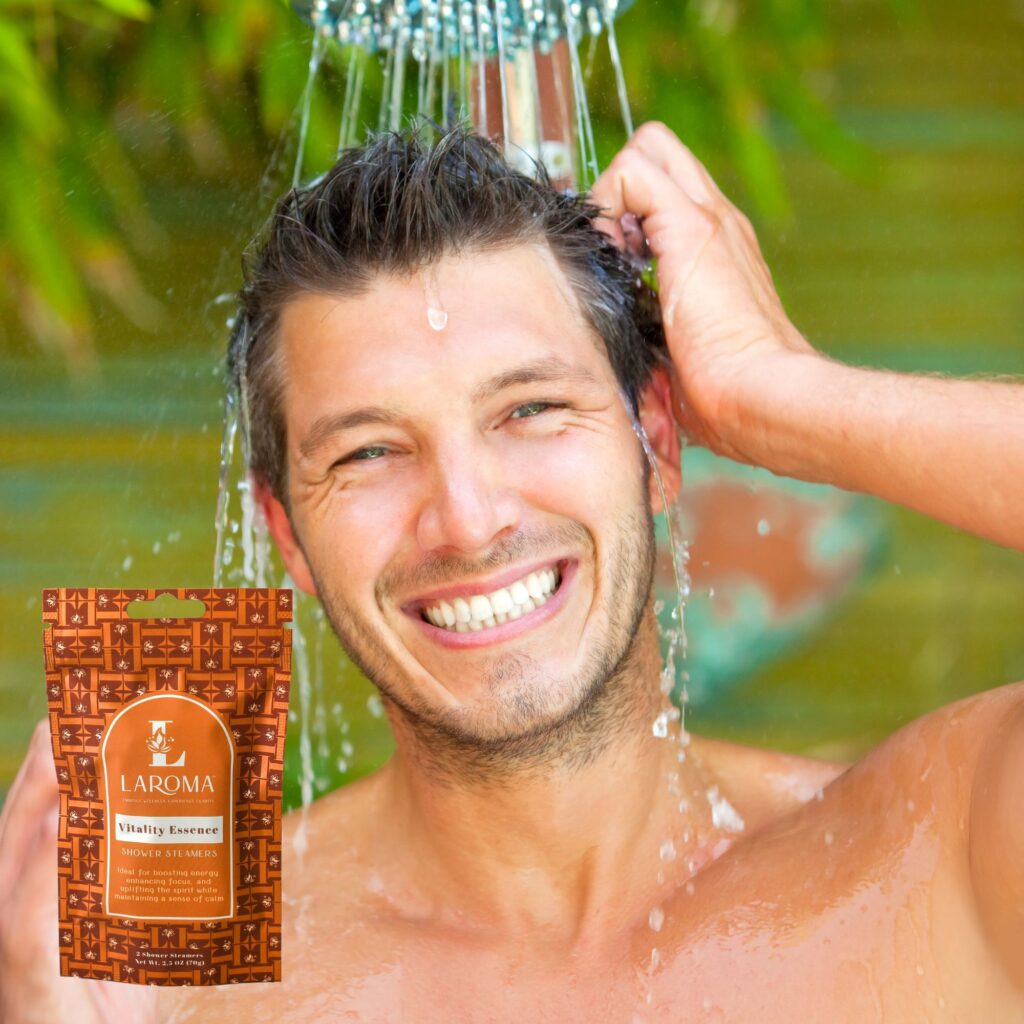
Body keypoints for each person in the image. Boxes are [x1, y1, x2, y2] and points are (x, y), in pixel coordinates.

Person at [2, 121, 1022, 1023]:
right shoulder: (185, 986)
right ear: (286, 535)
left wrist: (779, 400)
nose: (469, 517)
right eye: (367, 452)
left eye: (529, 409)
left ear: (655, 442)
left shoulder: (941, 861)